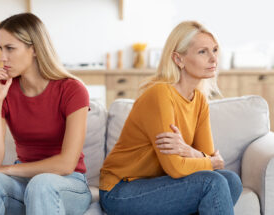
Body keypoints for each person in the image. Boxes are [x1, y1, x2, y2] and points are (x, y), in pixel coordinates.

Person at [99, 21, 243, 215]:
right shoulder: (160, 94)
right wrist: (209, 160)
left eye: (215, 50)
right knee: (212, 182)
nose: (213, 59)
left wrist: (192, 153)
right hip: (121, 190)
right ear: (178, 59)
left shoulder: (199, 100)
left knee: (230, 180)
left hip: (158, 184)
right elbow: (177, 167)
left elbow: (209, 161)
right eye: (203, 52)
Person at [0, 13, 92, 215]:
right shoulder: (0, 92)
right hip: (25, 182)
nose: (2, 58)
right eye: (0, 48)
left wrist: (8, 170)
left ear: (33, 49)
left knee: (42, 184)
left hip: (67, 184)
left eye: (10, 48)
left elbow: (67, 163)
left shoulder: (72, 90)